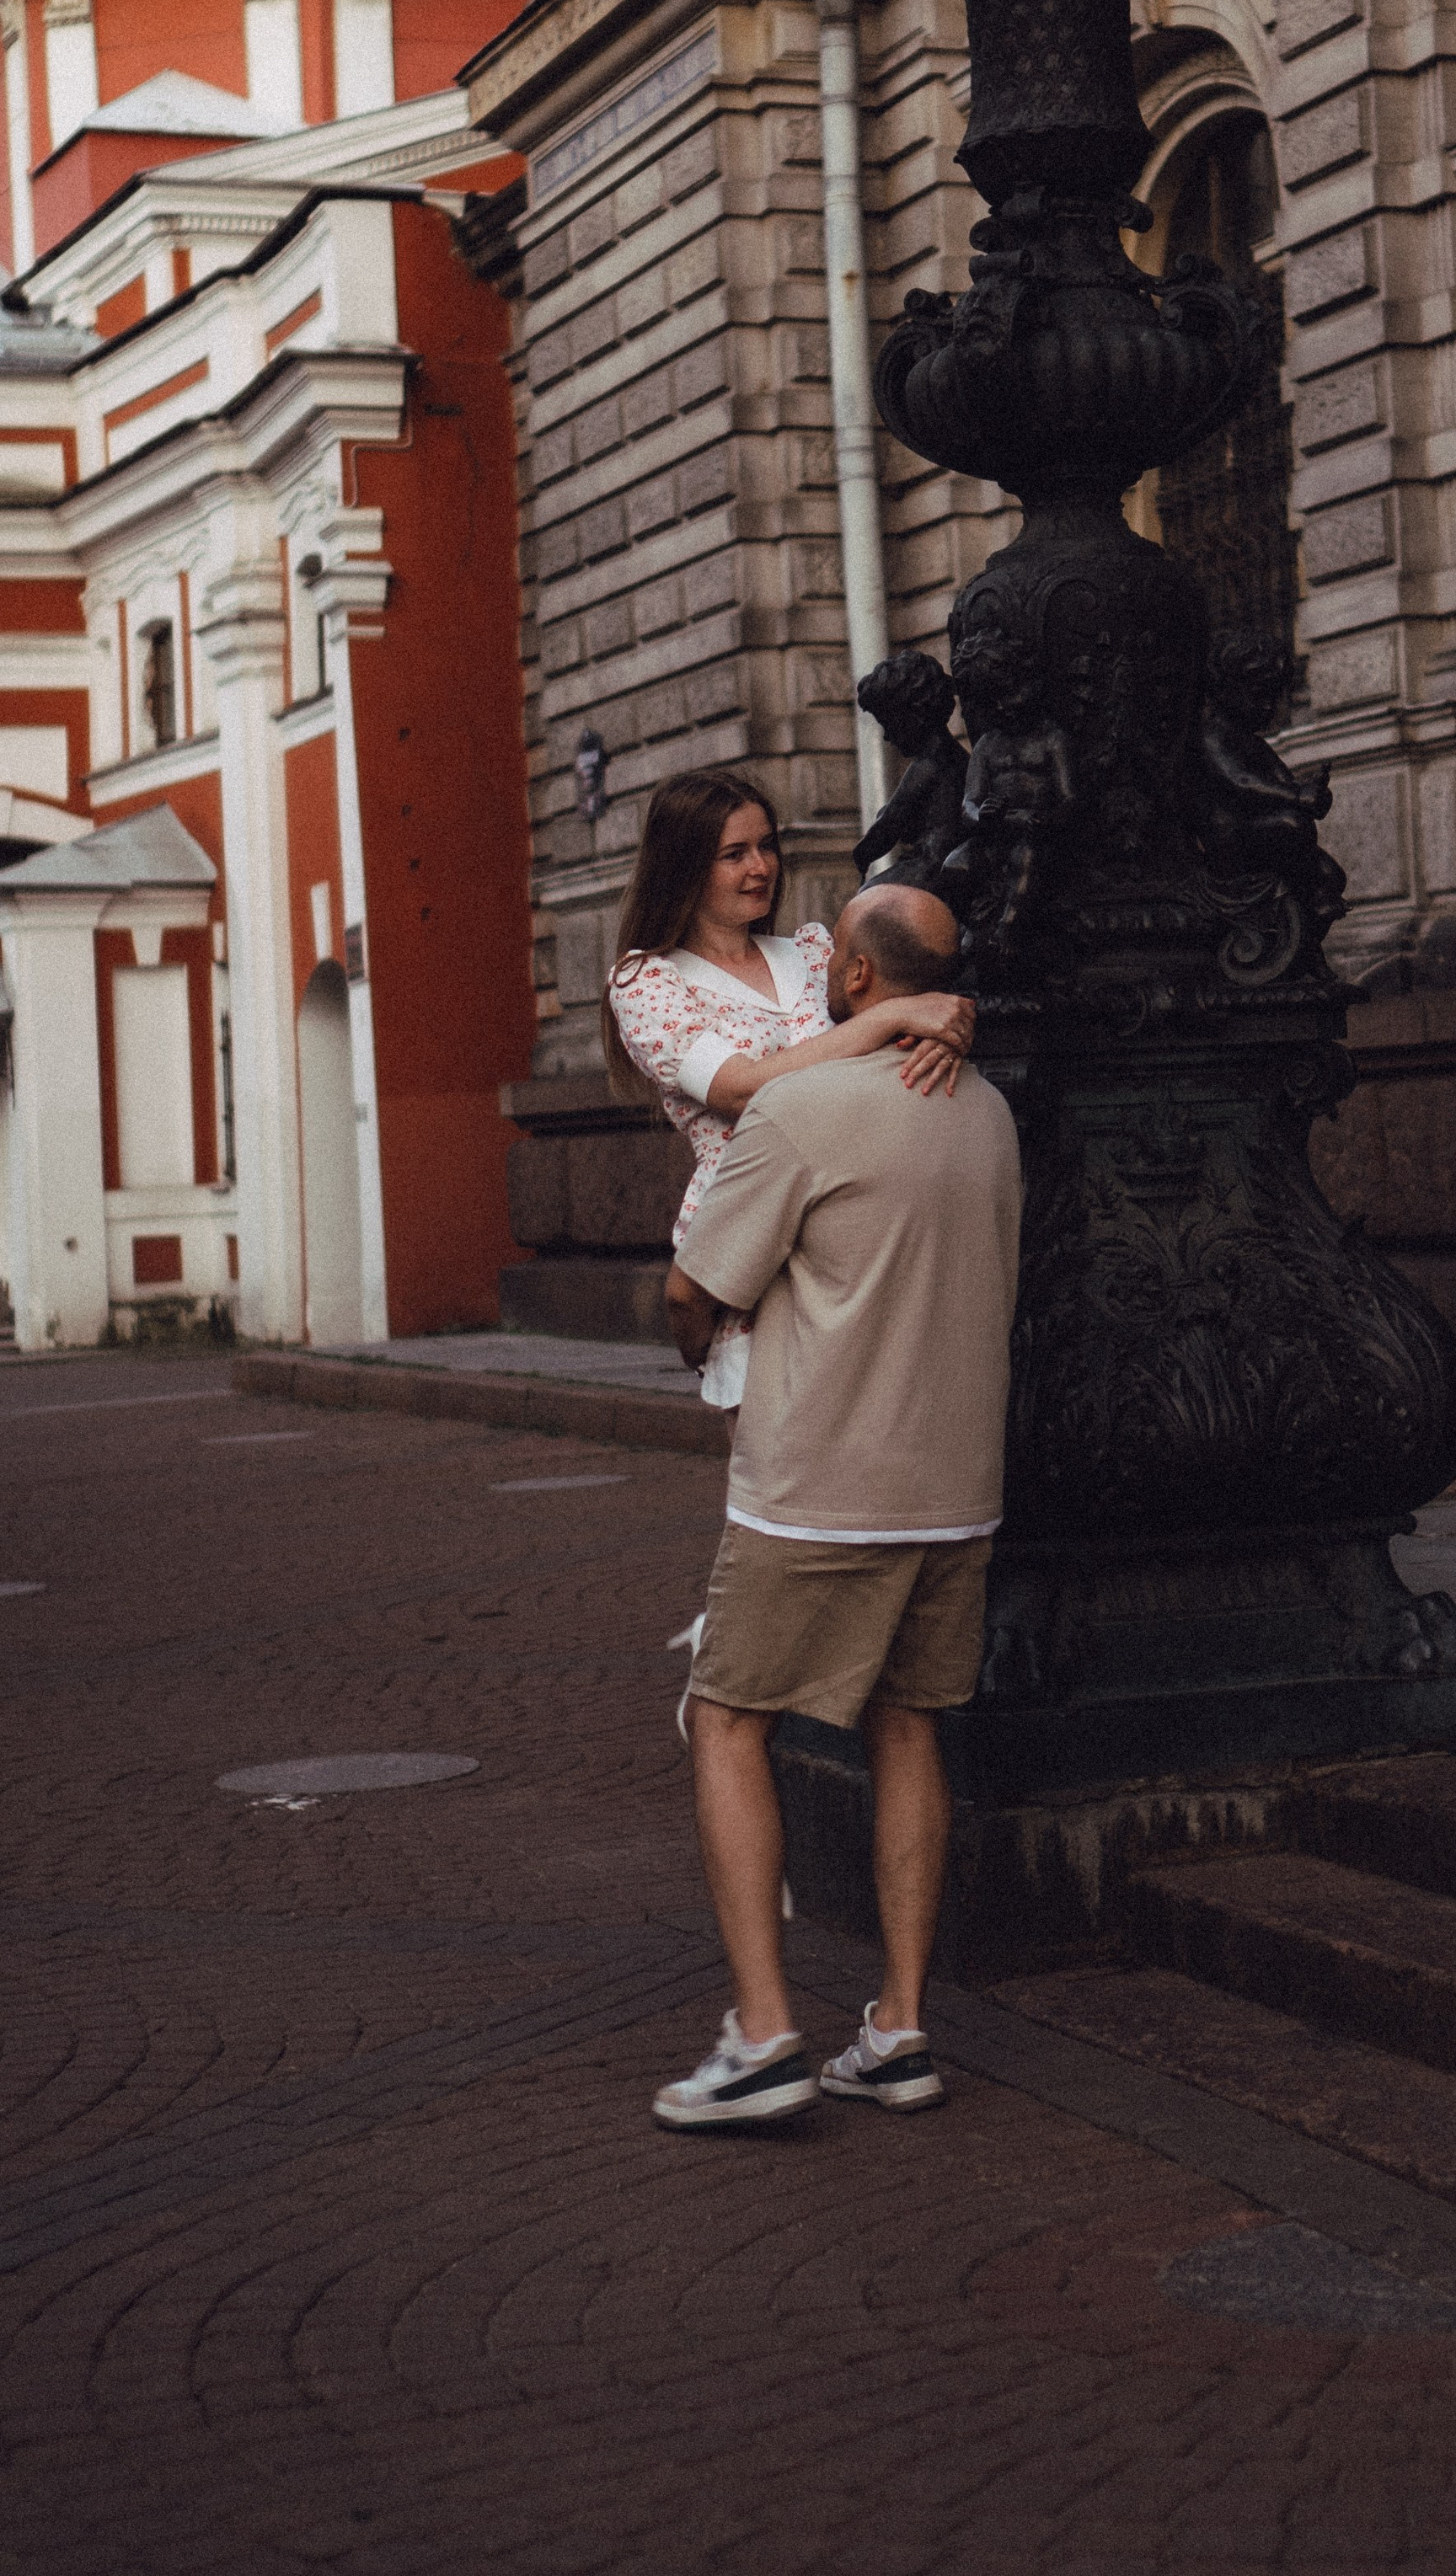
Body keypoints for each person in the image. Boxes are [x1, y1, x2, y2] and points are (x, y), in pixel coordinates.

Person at [650, 884, 1021, 2130]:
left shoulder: (800, 1111)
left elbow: (695, 1290)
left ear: (858, 979)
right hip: (956, 1491)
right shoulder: (989, 1112)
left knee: (727, 1722)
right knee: (910, 1730)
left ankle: (764, 2035)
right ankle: (899, 2030)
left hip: (817, 1491)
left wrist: (701, 1341)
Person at [603, 771, 977, 1410]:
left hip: (861, 1222)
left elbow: (906, 1033)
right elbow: (738, 1090)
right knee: (773, 1462)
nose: (761, 867)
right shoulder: (649, 982)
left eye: (766, 846)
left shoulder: (811, 950)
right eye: (734, 854)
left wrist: (945, 1031)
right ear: (684, 865)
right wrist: (893, 1016)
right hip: (751, 1243)